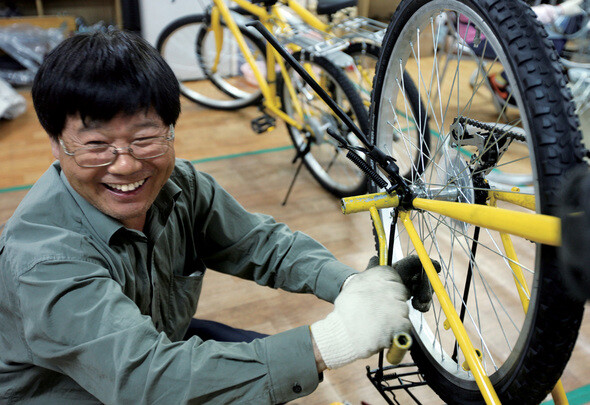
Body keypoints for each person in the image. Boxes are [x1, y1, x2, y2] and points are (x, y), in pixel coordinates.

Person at [0, 29, 431, 404]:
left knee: (275, 374)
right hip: (71, 389)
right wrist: (333, 341)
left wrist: (353, 286)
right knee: (277, 369)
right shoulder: (44, 262)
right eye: (96, 145)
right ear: (56, 144)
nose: (126, 165)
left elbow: (262, 245)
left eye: (145, 138)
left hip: (151, 347)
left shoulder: (180, 187)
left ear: (171, 130)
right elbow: (146, 381)